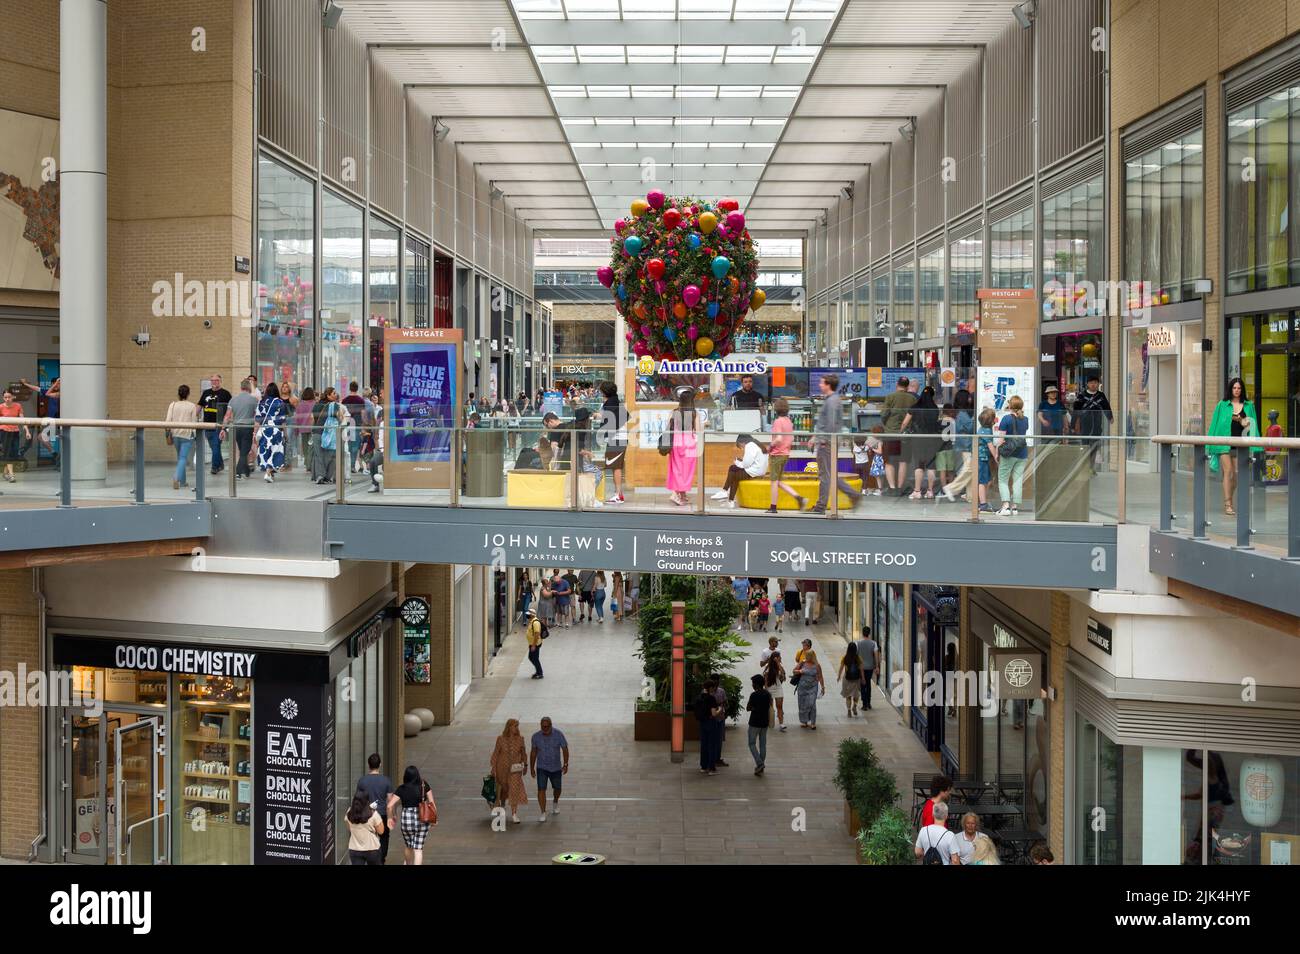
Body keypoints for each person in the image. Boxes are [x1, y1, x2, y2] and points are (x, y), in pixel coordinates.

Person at [810, 373, 863, 514]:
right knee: (830, 474)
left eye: (822, 383)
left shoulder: (832, 401)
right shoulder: (832, 400)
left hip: (826, 443)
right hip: (827, 442)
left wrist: (822, 440)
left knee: (825, 475)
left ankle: (821, 506)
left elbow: (831, 424)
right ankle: (853, 494)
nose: (820, 385)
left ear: (828, 385)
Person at [1207, 377, 1260, 516]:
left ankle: (1228, 497)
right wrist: (1209, 443)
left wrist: (1244, 422)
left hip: (1240, 444)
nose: (1236, 390)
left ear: (1242, 390)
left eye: (1239, 388)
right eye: (1234, 388)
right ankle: (1228, 503)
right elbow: (1214, 423)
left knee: (1236, 476)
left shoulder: (1249, 405)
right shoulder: (1222, 404)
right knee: (1228, 471)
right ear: (1230, 389)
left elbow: (1253, 425)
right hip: (1224, 443)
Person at [386, 765, 435, 865]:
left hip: (407, 820)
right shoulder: (424, 785)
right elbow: (432, 803)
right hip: (422, 818)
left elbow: (389, 805)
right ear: (417, 775)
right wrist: (434, 819)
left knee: (408, 846)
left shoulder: (401, 789)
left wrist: (390, 818)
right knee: (418, 849)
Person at [766, 397, 806, 512]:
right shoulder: (789, 421)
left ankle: (773, 507)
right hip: (785, 454)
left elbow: (778, 438)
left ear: (776, 408)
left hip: (777, 454)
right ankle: (799, 498)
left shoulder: (778, 421)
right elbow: (791, 437)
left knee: (774, 482)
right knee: (778, 481)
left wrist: (770, 446)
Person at [902, 386, 943, 499]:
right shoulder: (935, 408)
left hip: (918, 439)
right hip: (932, 439)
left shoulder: (915, 407)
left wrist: (901, 432)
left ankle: (917, 491)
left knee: (919, 465)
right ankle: (930, 491)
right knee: (931, 466)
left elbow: (905, 423)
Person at [355, 753, 394, 863]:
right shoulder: (386, 781)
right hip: (382, 814)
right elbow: (390, 802)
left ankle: (369, 856)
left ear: (368, 765)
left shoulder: (362, 781)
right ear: (380, 764)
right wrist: (391, 817)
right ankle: (381, 857)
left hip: (367, 815)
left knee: (368, 836)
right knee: (384, 836)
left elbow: (358, 799)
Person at [880, 375, 917, 494]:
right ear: (907, 386)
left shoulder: (890, 397)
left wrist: (887, 424)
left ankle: (892, 488)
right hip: (905, 434)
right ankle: (900, 488)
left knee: (889, 461)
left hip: (891, 433)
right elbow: (914, 415)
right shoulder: (912, 399)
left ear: (897, 384)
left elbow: (884, 414)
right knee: (903, 461)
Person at [666, 385, 701, 506]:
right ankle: (675, 493)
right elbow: (698, 430)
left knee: (677, 470)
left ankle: (682, 494)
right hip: (689, 444)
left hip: (676, 444)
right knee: (686, 471)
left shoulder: (674, 412)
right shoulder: (694, 414)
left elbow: (667, 428)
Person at [529, 716, 569, 821]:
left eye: (547, 726)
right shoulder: (536, 737)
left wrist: (565, 764)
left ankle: (555, 801)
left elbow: (564, 749)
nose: (545, 728)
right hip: (541, 767)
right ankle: (543, 812)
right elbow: (533, 752)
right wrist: (532, 768)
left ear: (551, 725)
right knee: (541, 789)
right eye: (543, 726)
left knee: (558, 788)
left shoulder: (559, 734)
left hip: (555, 767)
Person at [490, 718, 529, 824]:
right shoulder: (500, 739)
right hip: (501, 768)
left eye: (517, 726)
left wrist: (525, 765)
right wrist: (493, 767)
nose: (517, 728)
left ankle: (514, 814)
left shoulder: (520, 739)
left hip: (515, 770)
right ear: (509, 727)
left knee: (514, 789)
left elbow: (524, 753)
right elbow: (496, 753)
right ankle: (502, 804)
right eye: (515, 726)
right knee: (503, 789)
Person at [997, 395, 1030, 516]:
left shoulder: (1006, 419)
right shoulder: (1025, 419)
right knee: (1017, 480)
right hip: (1022, 453)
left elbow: (1001, 439)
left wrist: (997, 452)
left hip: (1008, 453)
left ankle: (1005, 506)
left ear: (1010, 406)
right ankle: (1014, 508)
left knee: (1003, 479)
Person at [714, 434, 768, 507]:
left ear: (742, 442)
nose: (742, 448)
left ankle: (725, 491)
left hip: (754, 472)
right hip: (760, 471)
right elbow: (751, 462)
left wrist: (737, 462)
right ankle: (730, 501)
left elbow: (746, 464)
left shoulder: (750, 445)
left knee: (732, 468)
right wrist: (741, 462)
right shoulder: (758, 444)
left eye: (740, 446)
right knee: (735, 475)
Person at [1073, 374, 1113, 471]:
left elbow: (1106, 407)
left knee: (1095, 446)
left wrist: (1110, 417)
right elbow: (1076, 410)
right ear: (1087, 384)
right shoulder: (1082, 395)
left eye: (1095, 383)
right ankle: (1084, 467)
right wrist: (1074, 424)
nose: (1093, 385)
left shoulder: (1101, 395)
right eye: (1091, 383)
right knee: (1084, 445)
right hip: (1084, 423)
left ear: (1098, 384)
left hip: (1097, 423)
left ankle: (1091, 468)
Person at [942, 391, 976, 502]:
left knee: (971, 470)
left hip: (964, 444)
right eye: (969, 398)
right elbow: (971, 428)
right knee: (969, 468)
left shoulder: (960, 413)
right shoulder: (963, 414)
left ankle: (971, 496)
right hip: (967, 445)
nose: (970, 400)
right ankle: (951, 488)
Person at [164, 384, 199, 490]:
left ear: (178, 394)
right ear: (188, 394)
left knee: (180, 457)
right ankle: (176, 477)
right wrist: (196, 435)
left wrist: (167, 434)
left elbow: (168, 420)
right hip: (187, 435)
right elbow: (194, 423)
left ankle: (183, 482)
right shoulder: (192, 406)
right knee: (183, 458)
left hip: (175, 435)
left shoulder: (173, 405)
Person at [598, 380, 627, 504]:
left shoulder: (610, 404)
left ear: (604, 392)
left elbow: (609, 420)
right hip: (619, 437)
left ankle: (617, 495)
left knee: (616, 467)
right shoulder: (615, 401)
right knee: (616, 466)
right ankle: (619, 494)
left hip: (616, 438)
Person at [198, 373, 231, 475]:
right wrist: (194, 416)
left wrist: (226, 424)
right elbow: (199, 405)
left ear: (220, 381)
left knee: (216, 445)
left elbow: (230, 409)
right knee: (214, 447)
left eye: (216, 380)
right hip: (207, 424)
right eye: (212, 380)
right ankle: (220, 464)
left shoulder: (226, 394)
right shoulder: (206, 393)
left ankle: (214, 467)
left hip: (219, 425)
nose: (214, 382)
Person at [254, 382, 287, 483]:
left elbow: (257, 420)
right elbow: (283, 420)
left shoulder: (261, 402)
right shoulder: (280, 402)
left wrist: (255, 433)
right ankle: (268, 472)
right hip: (276, 430)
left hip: (264, 429)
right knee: (276, 451)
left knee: (266, 450)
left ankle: (270, 473)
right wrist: (285, 434)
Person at [226, 378, 257, 480]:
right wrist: (256, 429)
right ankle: (238, 472)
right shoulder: (253, 400)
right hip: (247, 428)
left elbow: (227, 416)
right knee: (245, 451)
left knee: (242, 450)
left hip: (236, 428)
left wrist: (223, 428)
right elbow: (257, 415)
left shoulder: (233, 399)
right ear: (249, 388)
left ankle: (246, 470)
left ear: (241, 387)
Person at [346, 790, 386, 865]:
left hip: (354, 848)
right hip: (372, 849)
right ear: (367, 801)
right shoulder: (373, 814)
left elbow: (350, 829)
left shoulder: (349, 813)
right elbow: (381, 831)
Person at [311, 387, 342, 484]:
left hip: (316, 432)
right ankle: (327, 476)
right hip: (329, 433)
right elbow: (339, 418)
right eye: (333, 393)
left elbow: (312, 418)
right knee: (331, 455)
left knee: (318, 455)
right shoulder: (334, 405)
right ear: (328, 395)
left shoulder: (317, 404)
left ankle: (319, 475)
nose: (335, 395)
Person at [914, 801, 960, 865]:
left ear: (933, 814)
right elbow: (955, 861)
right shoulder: (950, 835)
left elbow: (917, 853)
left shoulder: (924, 830)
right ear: (946, 816)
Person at [0, 389, 30, 483]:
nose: (7, 399)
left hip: (15, 431)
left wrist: (27, 431)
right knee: (8, 453)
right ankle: (12, 475)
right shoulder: (0, 407)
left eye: (9, 397)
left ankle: (5, 473)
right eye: (5, 397)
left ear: (13, 397)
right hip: (4, 431)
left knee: (13, 454)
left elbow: (22, 419)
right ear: (3, 398)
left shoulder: (18, 406)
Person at [694, 679, 724, 775]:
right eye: (713, 687)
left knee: (704, 745)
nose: (714, 689)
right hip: (711, 723)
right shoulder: (711, 698)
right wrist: (720, 709)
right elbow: (714, 714)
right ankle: (711, 768)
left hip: (702, 723)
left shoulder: (699, 698)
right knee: (712, 745)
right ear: (710, 688)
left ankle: (703, 766)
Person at [745, 673, 772, 776]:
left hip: (754, 722)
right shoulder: (767, 694)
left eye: (753, 683)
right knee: (762, 744)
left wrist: (753, 708)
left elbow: (748, 708)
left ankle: (759, 763)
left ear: (756, 684)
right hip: (764, 722)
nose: (752, 685)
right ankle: (761, 765)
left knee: (752, 743)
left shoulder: (754, 695)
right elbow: (769, 705)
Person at [974, 407, 999, 513]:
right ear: (991, 420)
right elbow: (990, 446)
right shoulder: (987, 431)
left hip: (982, 458)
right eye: (994, 418)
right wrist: (996, 457)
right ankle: (983, 504)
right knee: (983, 481)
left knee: (987, 481)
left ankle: (982, 501)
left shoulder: (982, 429)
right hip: (982, 459)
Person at [793, 647, 824, 728]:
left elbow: (820, 676)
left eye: (807, 655)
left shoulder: (817, 665)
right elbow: (794, 671)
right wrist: (800, 669)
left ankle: (813, 722)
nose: (805, 657)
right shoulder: (802, 663)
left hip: (813, 687)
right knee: (802, 704)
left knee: (812, 704)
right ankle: (804, 721)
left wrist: (823, 687)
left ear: (811, 656)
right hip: (802, 686)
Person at [853, 625, 881, 710]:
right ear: (869, 633)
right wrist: (877, 666)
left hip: (860, 667)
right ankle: (868, 702)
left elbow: (855, 655)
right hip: (870, 667)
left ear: (862, 633)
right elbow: (876, 656)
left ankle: (864, 703)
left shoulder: (857, 643)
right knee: (868, 683)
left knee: (862, 684)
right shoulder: (873, 643)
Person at [342, 380, 367, 474]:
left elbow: (342, 413)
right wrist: (364, 425)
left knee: (347, 445)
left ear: (349, 388)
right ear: (357, 388)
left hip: (347, 424)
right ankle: (352, 466)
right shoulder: (360, 400)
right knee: (355, 446)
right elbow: (363, 414)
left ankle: (346, 466)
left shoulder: (344, 400)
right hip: (356, 424)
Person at [836, 641, 865, 717]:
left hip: (847, 679)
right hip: (856, 680)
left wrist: (839, 676)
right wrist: (863, 679)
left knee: (848, 696)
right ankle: (854, 707)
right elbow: (861, 669)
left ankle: (849, 710)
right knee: (856, 695)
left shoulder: (845, 658)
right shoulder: (858, 658)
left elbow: (841, 668)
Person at [292, 386, 316, 472]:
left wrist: (296, 431)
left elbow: (297, 419)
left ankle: (307, 464)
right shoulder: (314, 403)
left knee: (305, 448)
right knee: (312, 447)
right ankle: (311, 464)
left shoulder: (300, 405)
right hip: (313, 428)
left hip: (303, 429)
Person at [763, 650, 787, 731]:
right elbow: (765, 682)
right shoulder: (768, 668)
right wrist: (766, 692)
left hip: (778, 688)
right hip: (770, 689)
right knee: (770, 707)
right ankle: (770, 722)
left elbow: (783, 672)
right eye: (779, 657)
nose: (781, 658)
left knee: (779, 706)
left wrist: (778, 663)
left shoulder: (779, 666)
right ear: (775, 658)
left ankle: (781, 724)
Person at [525, 608, 544, 679]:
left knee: (534, 658)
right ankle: (538, 671)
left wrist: (533, 645)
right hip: (532, 643)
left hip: (535, 644)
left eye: (528, 615)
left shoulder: (535, 622)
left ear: (532, 615)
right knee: (532, 657)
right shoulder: (531, 621)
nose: (527, 615)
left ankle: (540, 673)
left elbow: (537, 634)